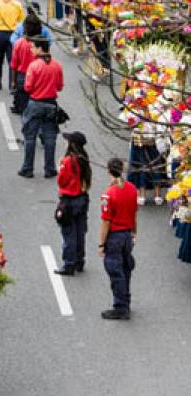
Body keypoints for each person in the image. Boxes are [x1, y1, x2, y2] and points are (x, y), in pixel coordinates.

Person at [18, 37, 63, 178]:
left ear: (39, 49)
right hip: (51, 104)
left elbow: (27, 87)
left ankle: (28, 168)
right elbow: (60, 87)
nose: (31, 49)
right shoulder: (57, 65)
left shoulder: (34, 66)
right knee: (50, 137)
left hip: (35, 104)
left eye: (32, 47)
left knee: (30, 137)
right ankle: (50, 169)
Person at [99, 157, 138, 320]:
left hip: (115, 236)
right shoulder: (132, 188)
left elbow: (106, 222)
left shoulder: (109, 194)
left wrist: (101, 244)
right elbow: (134, 212)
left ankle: (120, 307)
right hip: (127, 234)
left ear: (108, 170)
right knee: (126, 268)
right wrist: (134, 232)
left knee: (115, 271)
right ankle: (126, 300)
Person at [54, 131, 91, 276]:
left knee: (69, 232)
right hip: (82, 198)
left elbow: (61, 181)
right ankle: (79, 261)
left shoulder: (68, 161)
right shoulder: (84, 158)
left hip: (69, 200)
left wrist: (60, 169)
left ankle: (69, 264)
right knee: (80, 231)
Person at [9, 10, 41, 116]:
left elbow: (14, 64)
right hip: (37, 76)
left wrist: (13, 81)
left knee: (21, 94)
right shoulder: (41, 43)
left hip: (22, 75)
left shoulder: (19, 43)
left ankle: (20, 108)